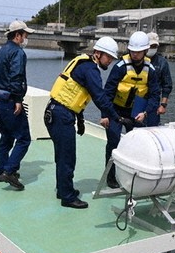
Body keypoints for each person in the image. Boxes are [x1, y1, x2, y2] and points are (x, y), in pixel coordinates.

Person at [45, 36, 121, 209]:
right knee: (67, 157)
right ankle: (67, 197)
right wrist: (116, 116)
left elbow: (75, 96)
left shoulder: (82, 63)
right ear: (98, 53)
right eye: (108, 57)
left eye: (111, 58)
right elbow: (100, 97)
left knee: (62, 155)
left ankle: (63, 189)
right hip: (61, 115)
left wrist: (80, 120)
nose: (109, 61)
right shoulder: (91, 70)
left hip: (56, 113)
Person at [102, 31, 160, 188]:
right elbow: (107, 92)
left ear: (145, 51)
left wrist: (146, 112)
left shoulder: (151, 70)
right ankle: (111, 177)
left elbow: (155, 96)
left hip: (137, 112)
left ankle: (134, 176)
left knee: (137, 144)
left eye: (138, 52)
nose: (135, 55)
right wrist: (105, 115)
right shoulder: (120, 67)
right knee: (113, 142)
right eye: (132, 51)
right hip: (115, 110)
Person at [0, 20, 34, 191]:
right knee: (24, 138)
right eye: (25, 35)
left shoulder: (2, 51)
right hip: (11, 102)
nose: (26, 38)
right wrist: (18, 99)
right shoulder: (18, 53)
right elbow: (16, 77)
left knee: (7, 137)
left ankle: (2, 169)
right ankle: (9, 171)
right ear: (17, 35)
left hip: (0, 101)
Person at [145, 32, 173, 126]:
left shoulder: (162, 63)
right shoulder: (138, 60)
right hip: (137, 100)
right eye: (150, 46)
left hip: (154, 102)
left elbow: (167, 85)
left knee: (152, 128)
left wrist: (163, 105)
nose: (152, 49)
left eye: (154, 46)